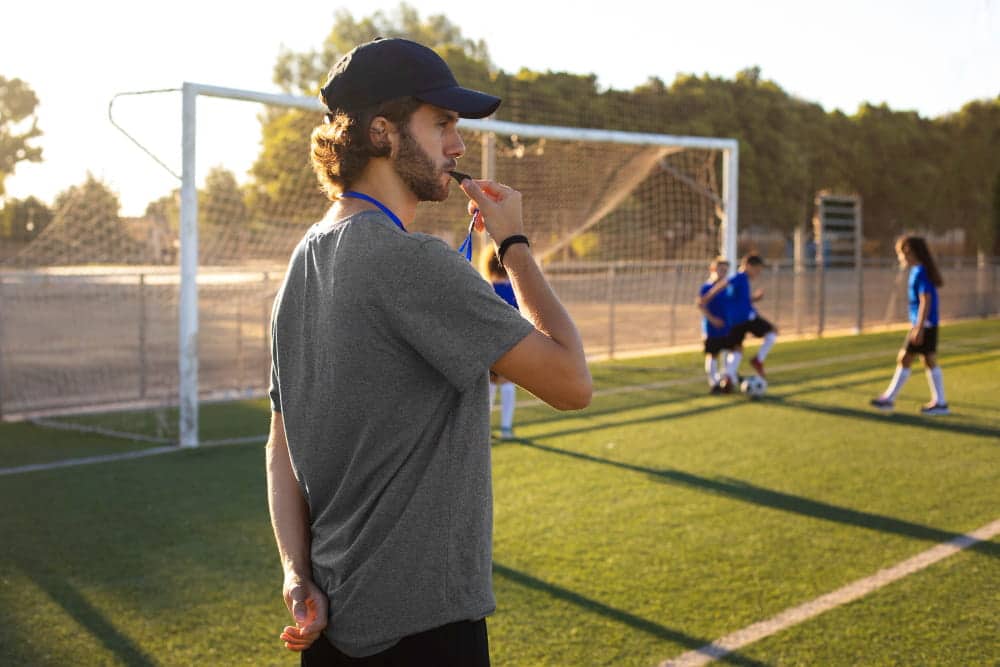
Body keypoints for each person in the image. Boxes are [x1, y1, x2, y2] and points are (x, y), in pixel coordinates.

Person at [265, 37, 591, 666]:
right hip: (424, 635)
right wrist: (515, 242)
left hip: (332, 629)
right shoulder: (410, 260)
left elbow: (282, 443)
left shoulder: (302, 260)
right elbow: (571, 383)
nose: (458, 145)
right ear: (383, 132)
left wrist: (296, 575)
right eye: (441, 123)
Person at [870, 235, 948, 415]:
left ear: (910, 253)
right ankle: (940, 402)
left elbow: (925, 300)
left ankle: (890, 399)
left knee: (906, 358)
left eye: (902, 253)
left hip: (925, 324)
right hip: (924, 324)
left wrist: (919, 327)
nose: (900, 258)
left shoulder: (921, 272)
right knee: (927, 360)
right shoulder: (916, 271)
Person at [699, 254, 777, 385]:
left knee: (737, 348)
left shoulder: (743, 281)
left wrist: (754, 299)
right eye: (756, 270)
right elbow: (723, 284)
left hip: (732, 323)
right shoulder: (739, 277)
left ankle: (728, 377)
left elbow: (739, 301)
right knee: (772, 332)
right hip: (743, 319)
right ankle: (756, 360)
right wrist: (707, 297)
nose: (757, 273)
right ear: (747, 266)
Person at [482, 252, 522, 438]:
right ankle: (506, 428)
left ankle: (484, 428)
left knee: (488, 385)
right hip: (511, 341)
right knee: (507, 383)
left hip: (490, 341)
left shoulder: (487, 287)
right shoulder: (517, 289)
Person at [696, 256, 732, 394]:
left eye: (725, 270)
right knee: (713, 355)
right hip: (712, 328)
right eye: (720, 269)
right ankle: (714, 383)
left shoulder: (726, 287)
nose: (723, 273)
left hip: (727, 326)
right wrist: (712, 320)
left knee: (732, 351)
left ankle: (727, 378)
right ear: (713, 269)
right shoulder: (706, 287)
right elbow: (700, 304)